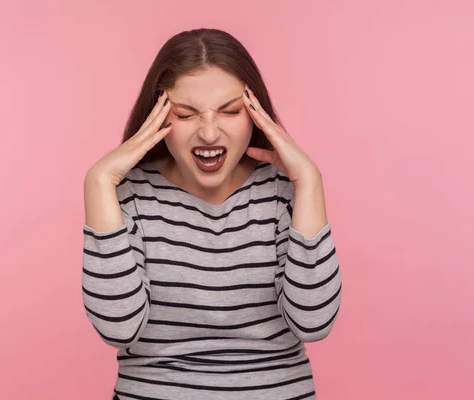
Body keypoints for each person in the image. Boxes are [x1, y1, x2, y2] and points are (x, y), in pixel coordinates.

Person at [82, 28, 342, 400]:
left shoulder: (286, 190)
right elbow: (118, 328)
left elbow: (313, 322)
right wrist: (98, 181)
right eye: (186, 114)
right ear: (157, 118)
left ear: (256, 113)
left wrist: (310, 182)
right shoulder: (128, 193)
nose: (208, 132)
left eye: (231, 111)